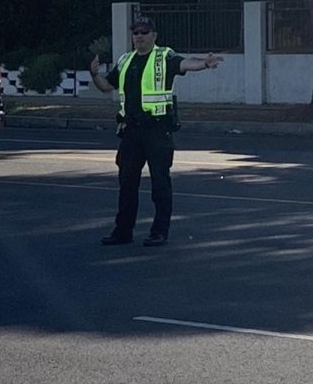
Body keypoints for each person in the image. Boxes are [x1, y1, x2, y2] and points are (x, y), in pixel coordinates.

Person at [89, 16, 223, 247]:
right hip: (130, 131)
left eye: (144, 31)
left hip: (157, 130)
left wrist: (205, 63)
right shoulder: (125, 61)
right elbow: (106, 87)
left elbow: (185, 63)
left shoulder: (164, 57)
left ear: (154, 35)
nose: (139, 36)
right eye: (136, 32)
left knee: (160, 183)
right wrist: (94, 74)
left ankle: (159, 231)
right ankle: (123, 231)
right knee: (127, 183)